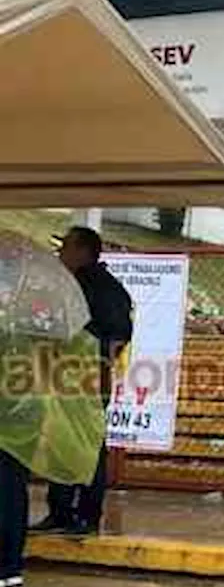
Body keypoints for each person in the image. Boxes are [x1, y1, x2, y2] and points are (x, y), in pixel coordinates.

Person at [1, 231, 109, 587]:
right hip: (23, 408)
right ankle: (9, 563)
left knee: (6, 486)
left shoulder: (23, 311)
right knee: (10, 486)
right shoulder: (35, 304)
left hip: (13, 410)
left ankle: (7, 564)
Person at [32, 226, 132, 536]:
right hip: (64, 372)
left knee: (86, 443)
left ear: (83, 251)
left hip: (86, 374)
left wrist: (86, 351)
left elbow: (118, 334)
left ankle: (86, 514)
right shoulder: (69, 285)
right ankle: (61, 511)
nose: (61, 254)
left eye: (66, 248)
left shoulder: (104, 289)